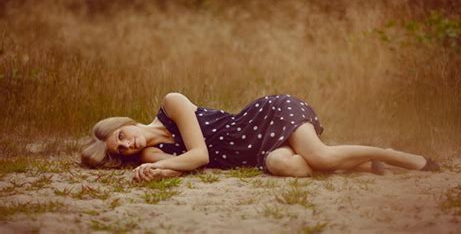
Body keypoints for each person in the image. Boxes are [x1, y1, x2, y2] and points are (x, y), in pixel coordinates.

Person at [81, 92, 440, 182]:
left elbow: (200, 155)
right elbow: (183, 167)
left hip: (266, 116)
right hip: (258, 155)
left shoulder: (171, 104)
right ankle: (363, 164)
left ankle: (396, 155)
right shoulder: (149, 155)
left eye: (122, 136)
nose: (129, 145)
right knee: (285, 166)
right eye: (122, 150)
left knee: (320, 158)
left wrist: (170, 166)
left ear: (123, 123)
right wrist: (155, 171)